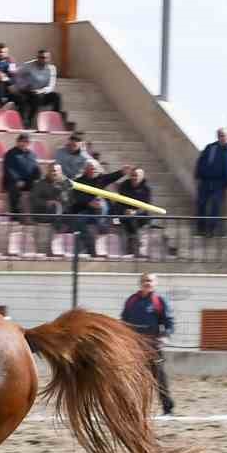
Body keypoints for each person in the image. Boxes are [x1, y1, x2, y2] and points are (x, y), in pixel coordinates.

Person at [120, 273, 176, 415]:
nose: (147, 283)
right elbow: (123, 322)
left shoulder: (159, 301)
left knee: (159, 377)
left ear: (155, 283)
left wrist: (165, 337)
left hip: (152, 346)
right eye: (145, 281)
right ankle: (133, 409)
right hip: (134, 346)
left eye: (150, 281)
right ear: (140, 283)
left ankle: (168, 409)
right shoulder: (131, 301)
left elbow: (169, 322)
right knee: (133, 377)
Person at [69, 160, 128, 254]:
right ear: (86, 170)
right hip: (85, 209)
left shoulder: (100, 179)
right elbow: (76, 196)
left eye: (95, 169)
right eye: (91, 169)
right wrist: (89, 202)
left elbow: (111, 177)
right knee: (79, 221)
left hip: (99, 210)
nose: (94, 171)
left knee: (103, 206)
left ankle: (102, 234)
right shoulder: (79, 181)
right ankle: (90, 247)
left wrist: (122, 172)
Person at [194, 128, 227, 237]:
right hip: (206, 180)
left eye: (223, 135)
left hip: (221, 183)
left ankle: (211, 230)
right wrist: (198, 175)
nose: (222, 137)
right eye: (220, 135)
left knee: (216, 205)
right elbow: (201, 161)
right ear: (217, 136)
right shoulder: (211, 147)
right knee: (201, 203)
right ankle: (201, 228)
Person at [13, 48, 63, 129]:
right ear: (37, 58)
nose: (43, 60)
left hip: (42, 93)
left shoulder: (51, 68)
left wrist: (41, 91)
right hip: (28, 92)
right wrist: (24, 85)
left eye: (45, 58)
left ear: (49, 59)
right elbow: (17, 75)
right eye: (40, 57)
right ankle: (28, 122)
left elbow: (51, 85)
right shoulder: (28, 66)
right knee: (35, 98)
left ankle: (55, 120)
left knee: (57, 96)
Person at [114, 166, 153, 254]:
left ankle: (136, 247)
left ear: (141, 176)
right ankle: (131, 248)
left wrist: (135, 212)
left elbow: (146, 206)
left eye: (136, 175)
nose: (133, 178)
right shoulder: (124, 186)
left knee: (135, 225)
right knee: (125, 224)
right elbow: (119, 202)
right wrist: (125, 210)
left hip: (140, 217)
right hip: (124, 215)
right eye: (132, 175)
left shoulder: (146, 189)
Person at [1, 133, 40, 219]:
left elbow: (36, 169)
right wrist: (17, 180)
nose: (24, 143)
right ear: (17, 142)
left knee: (39, 188)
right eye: (22, 141)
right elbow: (9, 169)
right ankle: (15, 215)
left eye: (26, 142)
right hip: (14, 181)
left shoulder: (32, 154)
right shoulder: (10, 153)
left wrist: (38, 179)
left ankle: (35, 216)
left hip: (28, 181)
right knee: (14, 189)